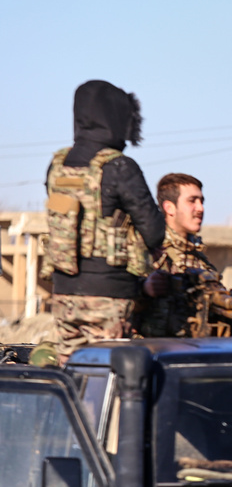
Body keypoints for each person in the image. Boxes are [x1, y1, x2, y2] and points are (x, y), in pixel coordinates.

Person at [44, 80, 165, 362]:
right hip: (109, 296)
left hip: (63, 293)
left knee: (71, 371)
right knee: (106, 379)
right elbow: (155, 232)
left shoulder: (57, 165)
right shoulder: (120, 167)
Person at [137, 173, 217, 337]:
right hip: (152, 350)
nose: (200, 208)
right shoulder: (147, 248)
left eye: (201, 201)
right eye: (192, 201)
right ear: (169, 208)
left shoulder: (199, 259)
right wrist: (144, 288)